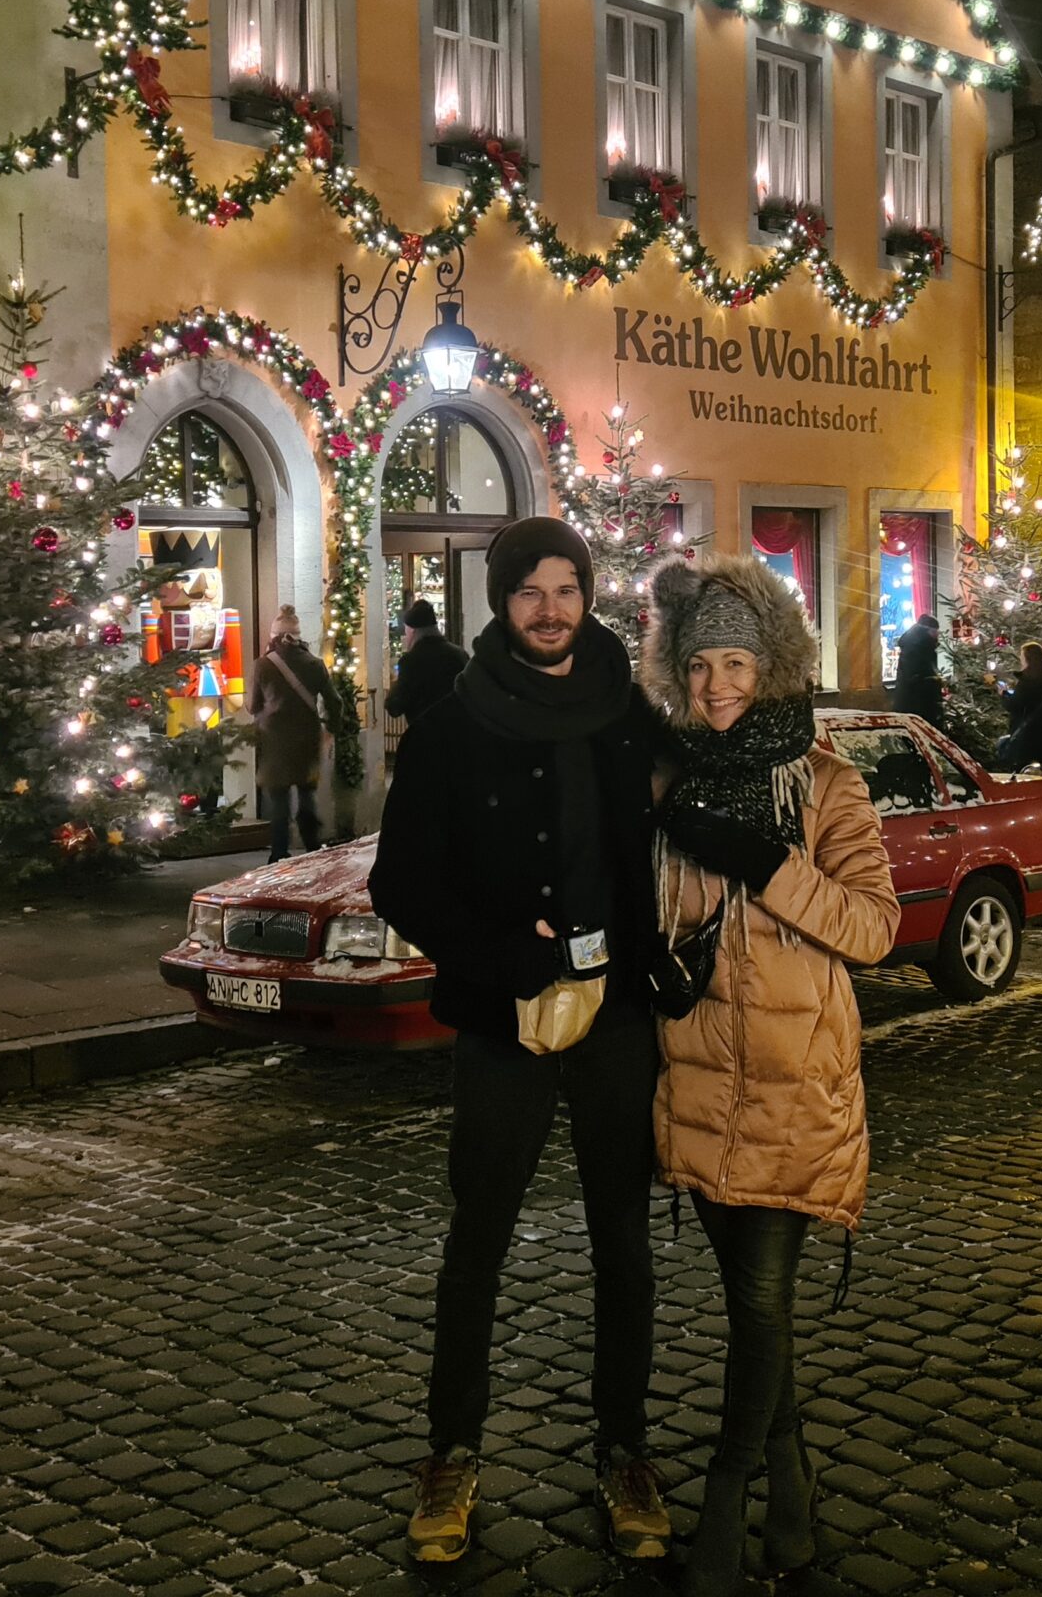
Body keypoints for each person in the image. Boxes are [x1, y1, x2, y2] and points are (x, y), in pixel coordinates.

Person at [367, 519, 674, 1568]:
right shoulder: (455, 727)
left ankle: (625, 1451)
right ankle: (450, 1452)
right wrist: (499, 949)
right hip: (503, 1024)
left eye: (567, 589)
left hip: (616, 1017)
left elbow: (692, 808)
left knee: (623, 1245)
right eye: (530, 593)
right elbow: (397, 884)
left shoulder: (628, 714)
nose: (551, 610)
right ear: (499, 604)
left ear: (588, 596)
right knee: (478, 1244)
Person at [642, 553, 900, 1596]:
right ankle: (792, 1527)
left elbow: (874, 928)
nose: (715, 687)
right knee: (765, 1322)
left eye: (736, 661)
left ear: (774, 665)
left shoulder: (826, 784)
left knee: (759, 1308)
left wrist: (763, 864)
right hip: (699, 1091)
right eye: (698, 664)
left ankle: (722, 1507)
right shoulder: (665, 786)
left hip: (799, 1093)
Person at [246, 605, 330, 860]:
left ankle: (279, 853)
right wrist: (331, 729)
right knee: (307, 794)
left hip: (275, 742)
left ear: (274, 637)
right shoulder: (315, 664)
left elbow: (252, 705)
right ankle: (312, 848)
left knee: (279, 800)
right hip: (307, 739)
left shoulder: (262, 665)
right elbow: (334, 701)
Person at [383, 597, 466, 722]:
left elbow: (394, 707)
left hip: (424, 736)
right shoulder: (459, 654)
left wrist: (396, 683)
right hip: (459, 734)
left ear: (412, 630)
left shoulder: (410, 661)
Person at [997, 641, 1042, 772]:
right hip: (1041, 736)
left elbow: (1015, 705)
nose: (1021, 660)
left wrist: (1004, 695)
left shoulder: (1026, 682)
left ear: (1029, 659)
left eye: (1022, 657)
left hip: (1024, 739)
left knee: (1023, 772)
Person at [889, 613, 943, 726]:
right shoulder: (920, 647)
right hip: (919, 706)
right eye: (936, 631)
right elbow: (919, 677)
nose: (937, 635)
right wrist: (935, 681)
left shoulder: (916, 645)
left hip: (913, 704)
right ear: (928, 631)